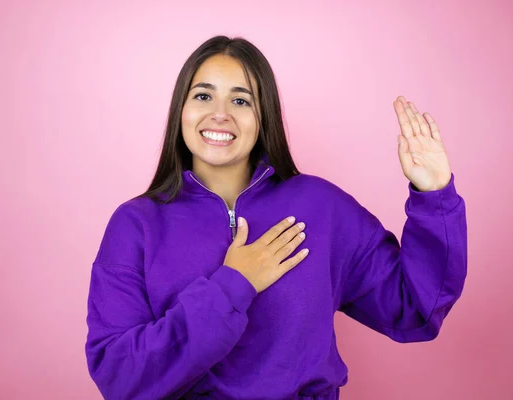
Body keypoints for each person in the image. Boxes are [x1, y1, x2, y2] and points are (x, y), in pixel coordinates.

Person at [84, 35, 467, 400]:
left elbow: (416, 309)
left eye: (241, 101)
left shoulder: (322, 207)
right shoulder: (136, 224)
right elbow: (119, 376)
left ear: (264, 115)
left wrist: (434, 196)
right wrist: (234, 285)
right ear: (180, 111)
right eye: (203, 96)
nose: (220, 115)